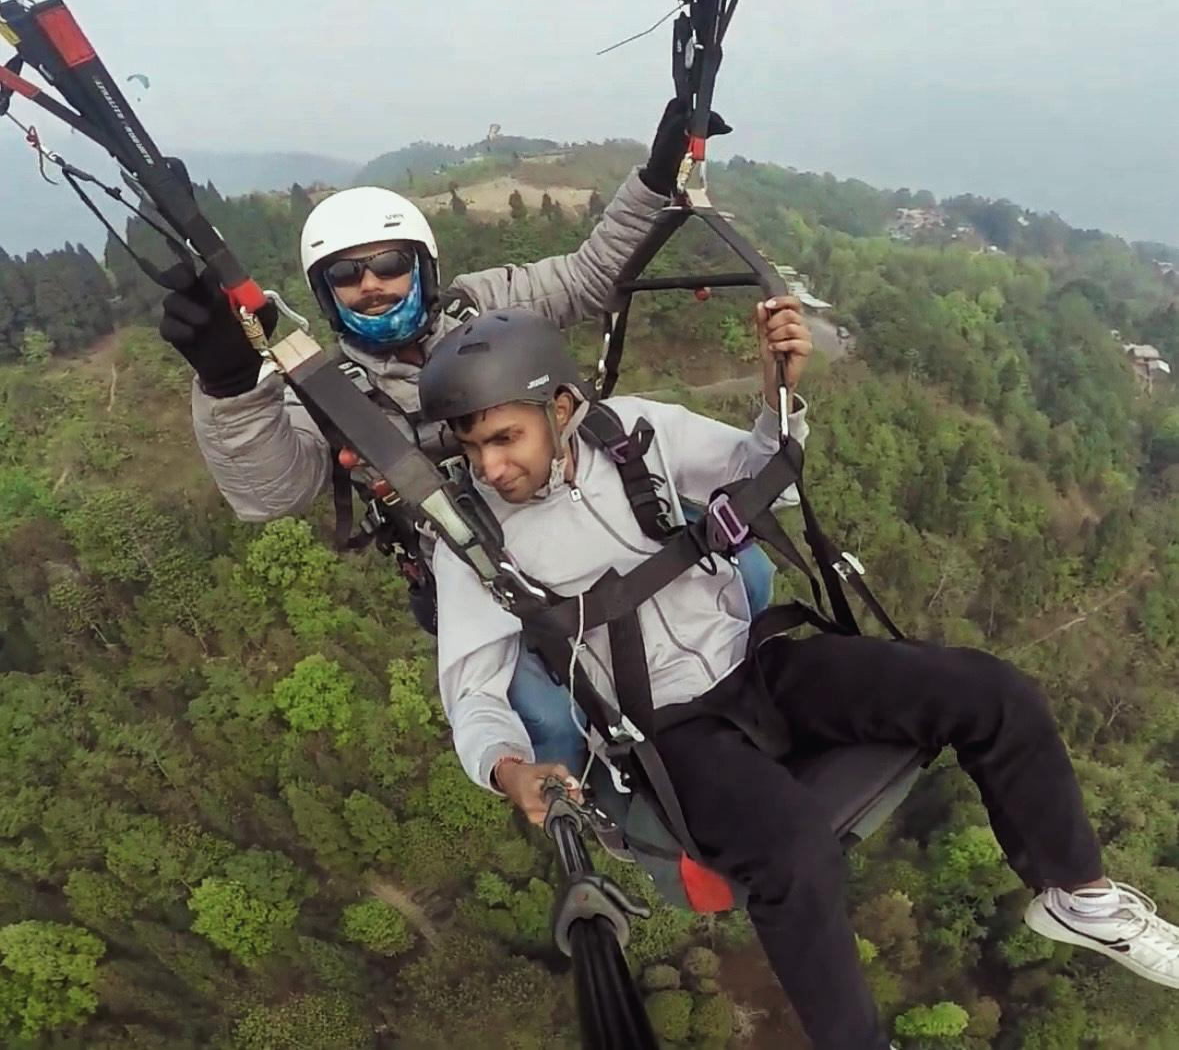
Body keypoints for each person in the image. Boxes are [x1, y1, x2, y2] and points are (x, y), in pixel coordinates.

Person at [418, 304, 1179, 1050]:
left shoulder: (631, 432)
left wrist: (774, 395)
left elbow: (765, 479)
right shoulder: (474, 536)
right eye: (473, 445)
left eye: (505, 438)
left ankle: (1075, 894)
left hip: (758, 662)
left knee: (990, 691)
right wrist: (508, 768)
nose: (490, 466)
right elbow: (474, 688)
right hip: (671, 728)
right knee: (792, 853)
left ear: (561, 408)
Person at [156, 99, 730, 771]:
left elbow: (589, 277)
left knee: (740, 566)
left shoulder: (482, 306)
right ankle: (583, 797)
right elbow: (271, 491)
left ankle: (735, 709)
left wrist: (656, 178)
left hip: (566, 505)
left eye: (389, 264)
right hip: (477, 570)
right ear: (324, 292)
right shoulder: (323, 386)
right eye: (346, 274)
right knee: (545, 712)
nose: (370, 285)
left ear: (421, 266)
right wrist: (230, 386)